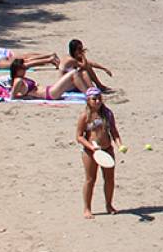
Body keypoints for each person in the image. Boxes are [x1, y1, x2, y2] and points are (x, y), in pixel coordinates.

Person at [76, 88, 121, 218]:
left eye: (99, 98)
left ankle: (109, 205)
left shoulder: (107, 114)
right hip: (90, 152)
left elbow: (114, 132)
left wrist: (119, 145)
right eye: (94, 99)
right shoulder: (85, 116)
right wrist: (91, 147)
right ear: (88, 100)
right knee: (90, 179)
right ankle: (87, 208)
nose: (97, 101)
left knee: (109, 179)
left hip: (107, 149)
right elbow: (79, 136)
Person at [9, 57, 88, 100]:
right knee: (74, 73)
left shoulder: (22, 79)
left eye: (25, 68)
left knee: (78, 74)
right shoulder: (18, 80)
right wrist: (25, 97)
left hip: (50, 91)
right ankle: (89, 94)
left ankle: (89, 91)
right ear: (17, 70)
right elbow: (12, 96)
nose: (25, 70)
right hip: (49, 93)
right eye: (23, 68)